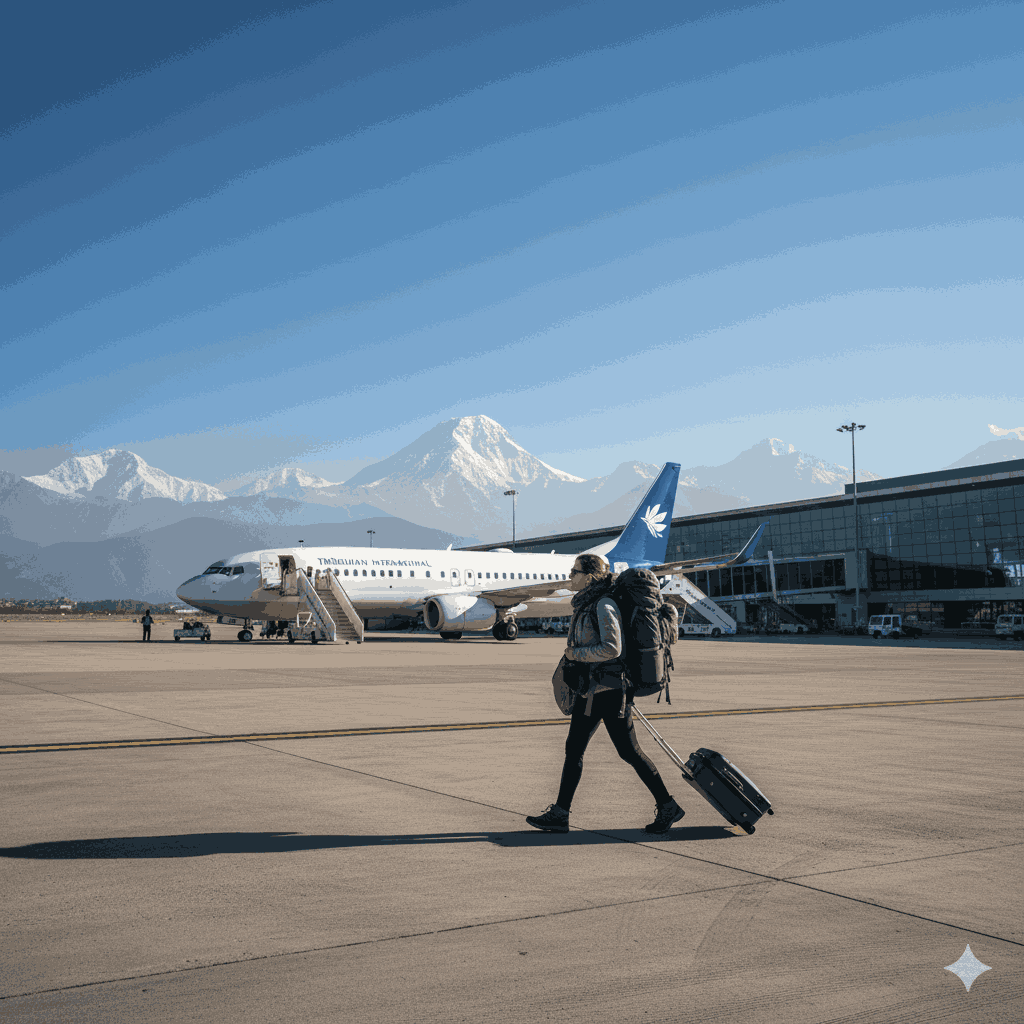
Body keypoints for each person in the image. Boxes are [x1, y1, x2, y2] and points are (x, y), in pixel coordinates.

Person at [526, 554, 685, 835]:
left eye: (575, 572)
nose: (570, 576)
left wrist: (574, 654)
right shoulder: (589, 602)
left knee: (622, 752)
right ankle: (561, 814)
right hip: (595, 689)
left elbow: (613, 648)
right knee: (595, 750)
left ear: (589, 576)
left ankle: (667, 805)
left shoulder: (603, 604)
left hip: (607, 690)